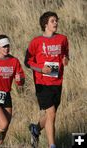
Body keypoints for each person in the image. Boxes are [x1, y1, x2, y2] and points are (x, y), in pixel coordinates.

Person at [24, 11, 69, 148]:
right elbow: (27, 62)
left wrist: (65, 60)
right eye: (52, 21)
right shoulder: (36, 42)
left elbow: (66, 55)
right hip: (42, 83)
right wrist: (41, 69)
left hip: (57, 82)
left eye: (56, 20)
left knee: (52, 114)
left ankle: (35, 129)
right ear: (45, 24)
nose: (56, 23)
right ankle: (52, 145)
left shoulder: (62, 39)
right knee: (51, 113)